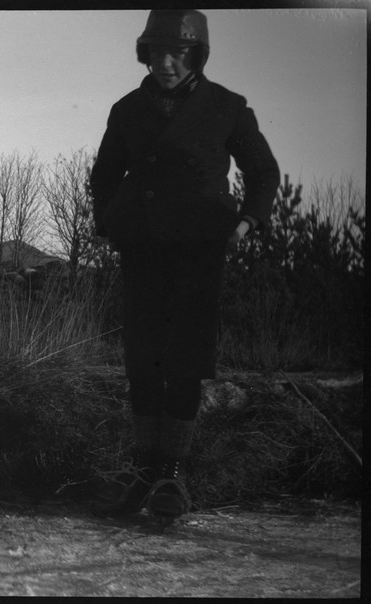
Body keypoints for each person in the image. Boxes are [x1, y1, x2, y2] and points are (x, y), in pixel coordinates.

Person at [89, 10, 279, 526]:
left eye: (178, 53)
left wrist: (247, 222)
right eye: (157, 52)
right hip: (144, 247)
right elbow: (104, 176)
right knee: (143, 358)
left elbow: (263, 171)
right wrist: (111, 222)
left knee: (185, 359)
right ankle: (143, 468)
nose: (166, 64)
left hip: (199, 250)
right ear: (145, 54)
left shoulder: (227, 108)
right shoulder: (127, 110)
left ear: (197, 55)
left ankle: (172, 473)